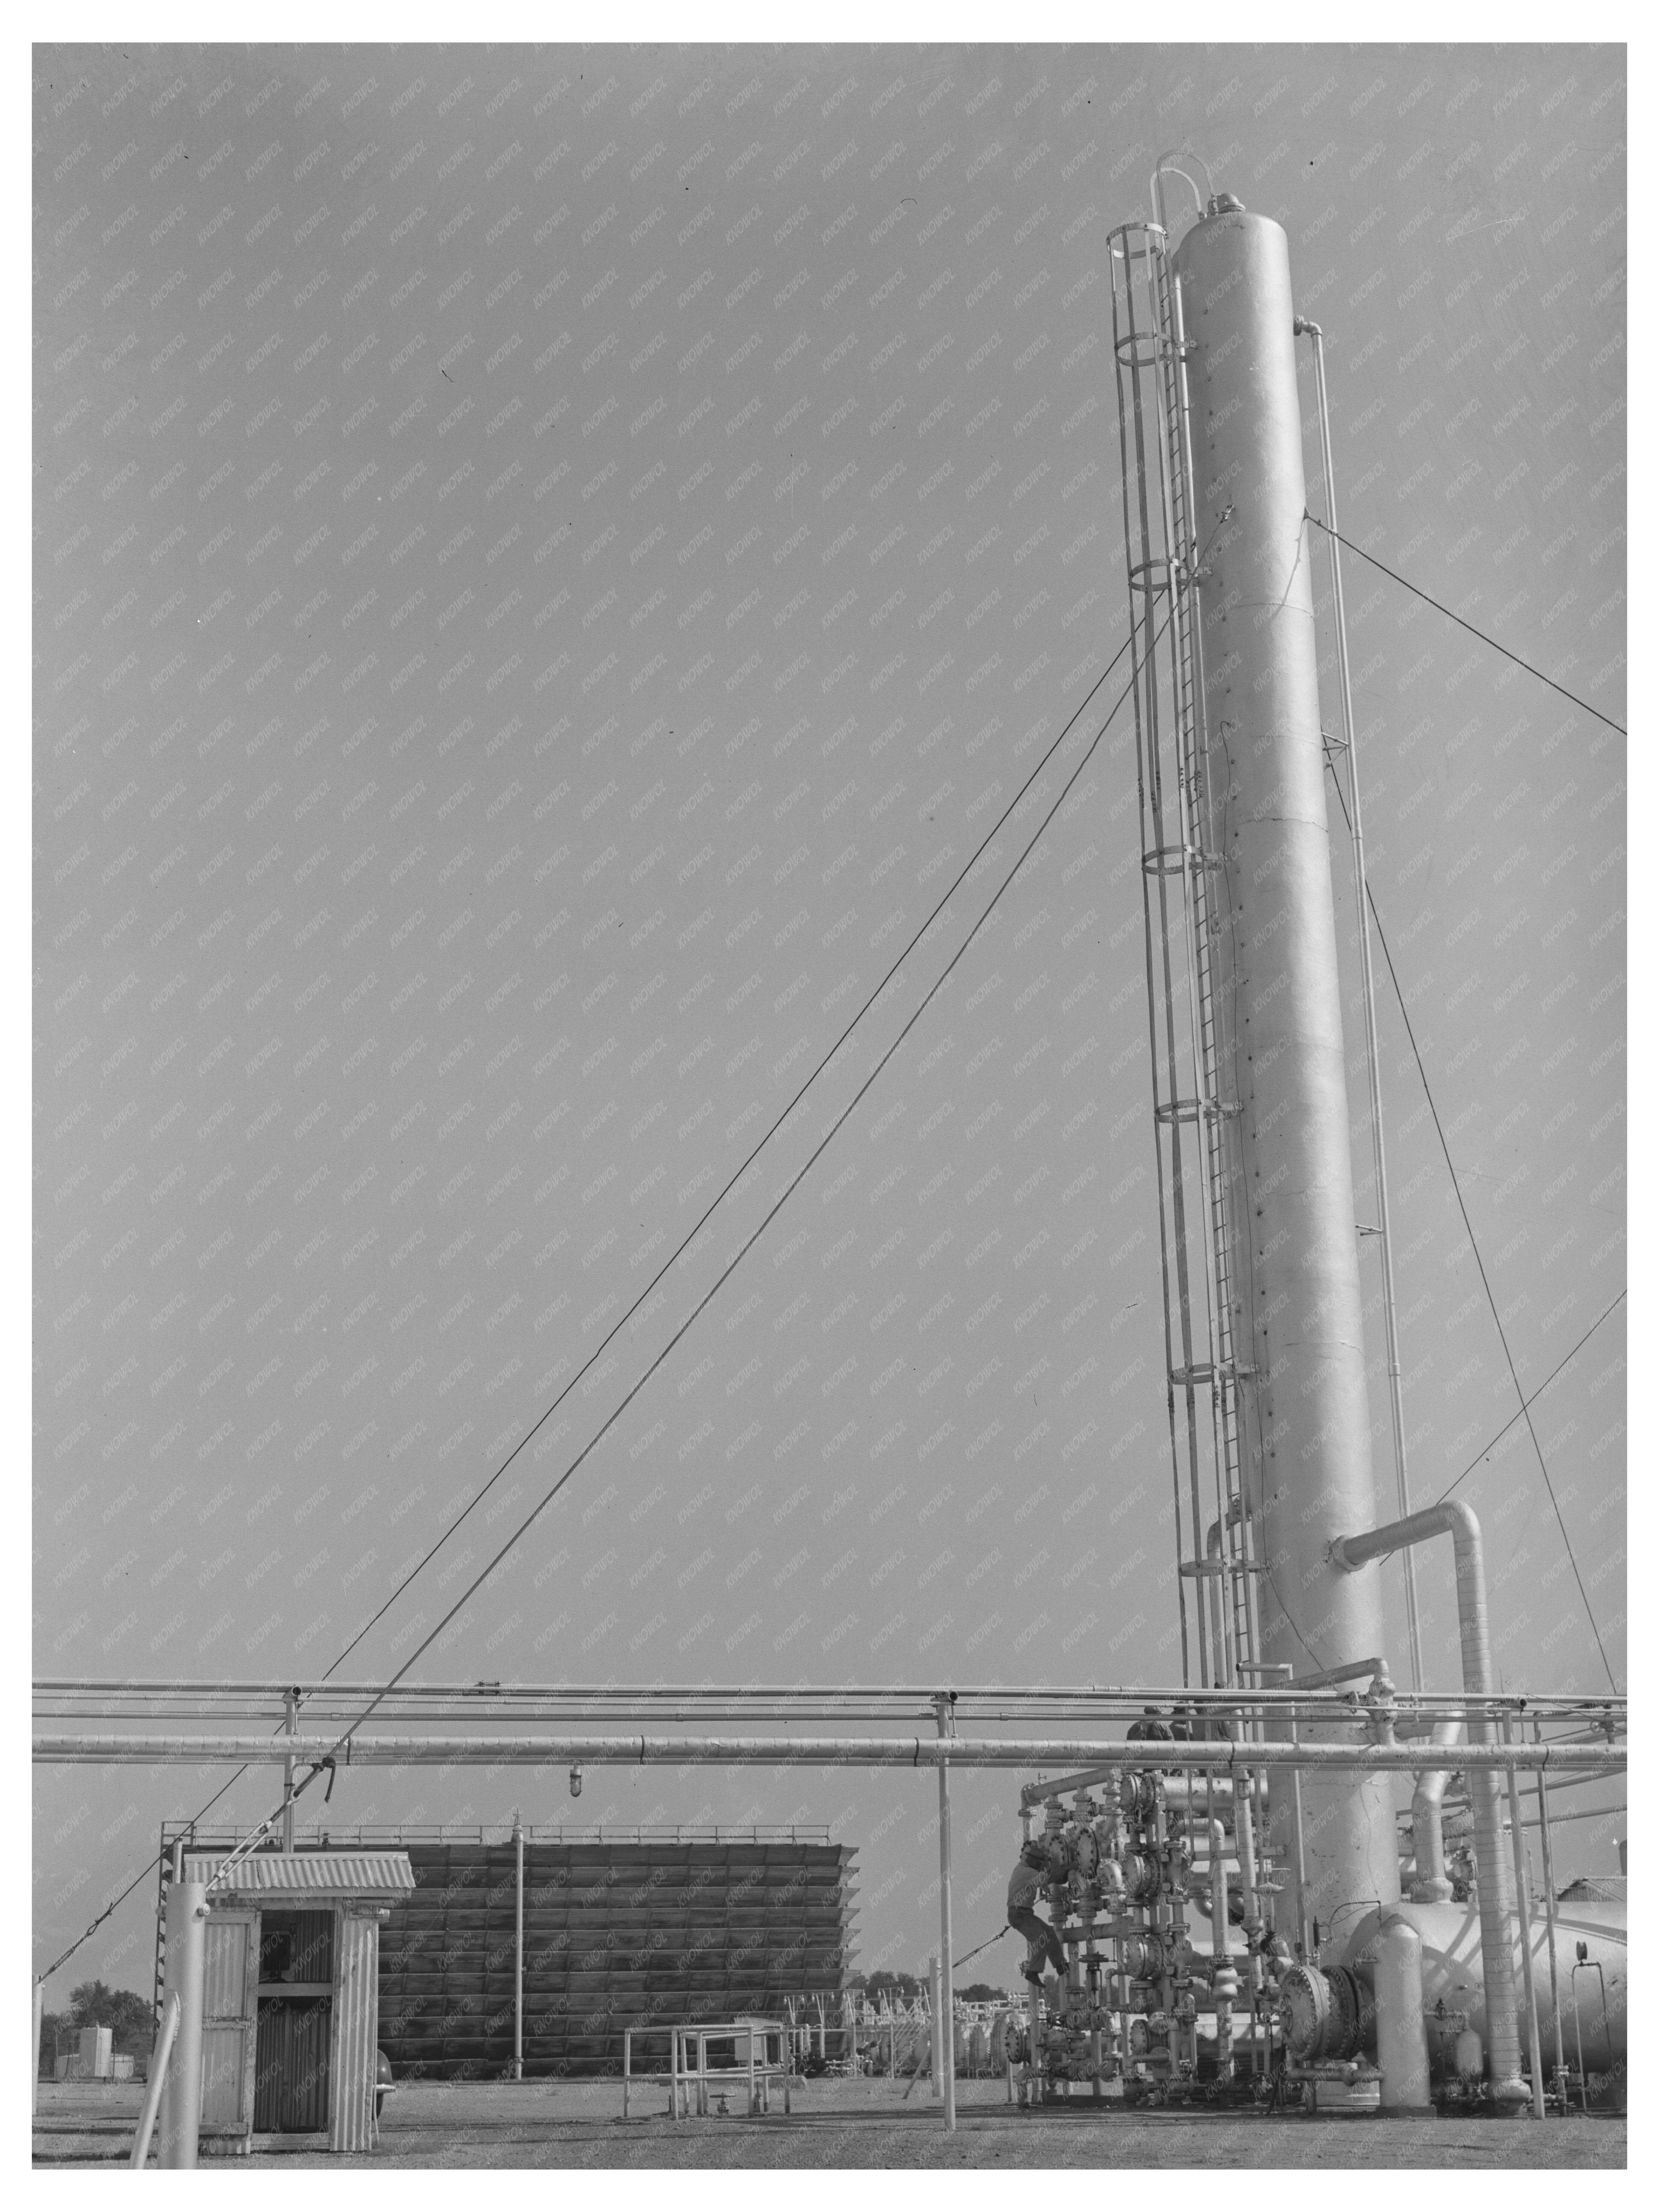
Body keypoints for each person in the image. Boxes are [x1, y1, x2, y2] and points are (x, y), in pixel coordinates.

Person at [1007, 1841, 1068, 1982]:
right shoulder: (1027, 1872)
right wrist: (1067, 1868)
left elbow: (1043, 1882)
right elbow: (1049, 1878)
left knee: (1049, 1932)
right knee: (1041, 1939)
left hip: (1025, 1913)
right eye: (1039, 1862)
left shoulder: (1023, 1869)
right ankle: (1033, 1972)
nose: (1040, 1865)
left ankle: (1061, 1965)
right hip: (1019, 1915)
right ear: (1031, 1859)